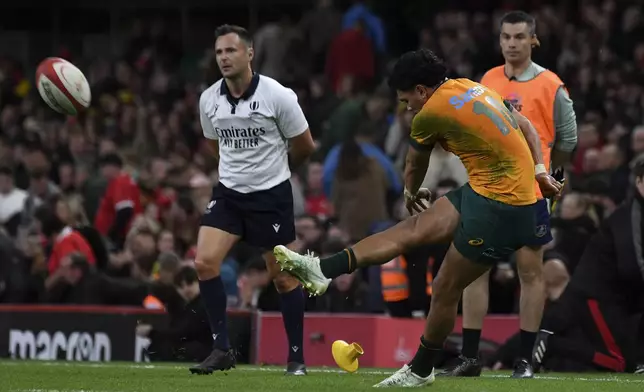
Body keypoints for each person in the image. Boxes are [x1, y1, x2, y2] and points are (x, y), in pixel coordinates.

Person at [273, 48, 562, 387]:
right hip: (486, 189)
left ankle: (421, 369)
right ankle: (322, 270)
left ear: (422, 91)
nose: (406, 106)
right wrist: (540, 170)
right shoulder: (471, 86)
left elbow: (413, 165)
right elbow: (526, 125)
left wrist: (411, 192)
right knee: (410, 230)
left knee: (444, 287)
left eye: (406, 99)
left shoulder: (430, 114)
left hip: (503, 206)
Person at [439, 10, 578, 378]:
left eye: (519, 37)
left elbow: (568, 138)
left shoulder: (552, 85)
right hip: (489, 190)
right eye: (506, 37)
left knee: (530, 272)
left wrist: (552, 177)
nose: (512, 43)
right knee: (474, 270)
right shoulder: (488, 79)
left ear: (533, 40)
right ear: (499, 40)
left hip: (531, 190)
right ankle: (470, 358)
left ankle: (525, 360)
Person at [189, 25, 316, 376]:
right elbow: (214, 144)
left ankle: (296, 359)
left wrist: (280, 169)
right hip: (229, 194)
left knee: (284, 279)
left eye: (231, 51)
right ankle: (222, 349)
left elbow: (305, 145)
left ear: (249, 54)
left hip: (270, 196)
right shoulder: (209, 99)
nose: (224, 58)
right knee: (204, 262)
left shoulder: (278, 95)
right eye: (219, 53)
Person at [532, 161, 644, 374]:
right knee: (619, 363)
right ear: (638, 181)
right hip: (597, 295)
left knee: (628, 360)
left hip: (619, 297)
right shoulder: (628, 216)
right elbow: (632, 266)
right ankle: (553, 344)